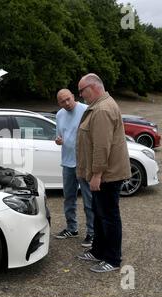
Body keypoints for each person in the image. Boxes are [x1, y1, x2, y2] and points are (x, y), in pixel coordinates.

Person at [75, 73, 131, 273]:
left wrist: (97, 174)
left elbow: (101, 147)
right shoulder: (99, 106)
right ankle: (98, 250)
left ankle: (113, 259)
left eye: (82, 91)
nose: (80, 95)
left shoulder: (102, 109)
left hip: (107, 175)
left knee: (108, 216)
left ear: (93, 87)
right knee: (100, 214)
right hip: (102, 174)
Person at [54, 89, 94, 248]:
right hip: (67, 162)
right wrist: (58, 140)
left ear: (73, 97)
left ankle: (92, 233)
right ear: (59, 103)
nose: (67, 103)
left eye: (68, 99)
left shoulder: (85, 110)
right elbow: (60, 136)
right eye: (63, 101)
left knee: (88, 199)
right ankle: (72, 228)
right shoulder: (59, 115)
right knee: (68, 198)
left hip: (83, 163)